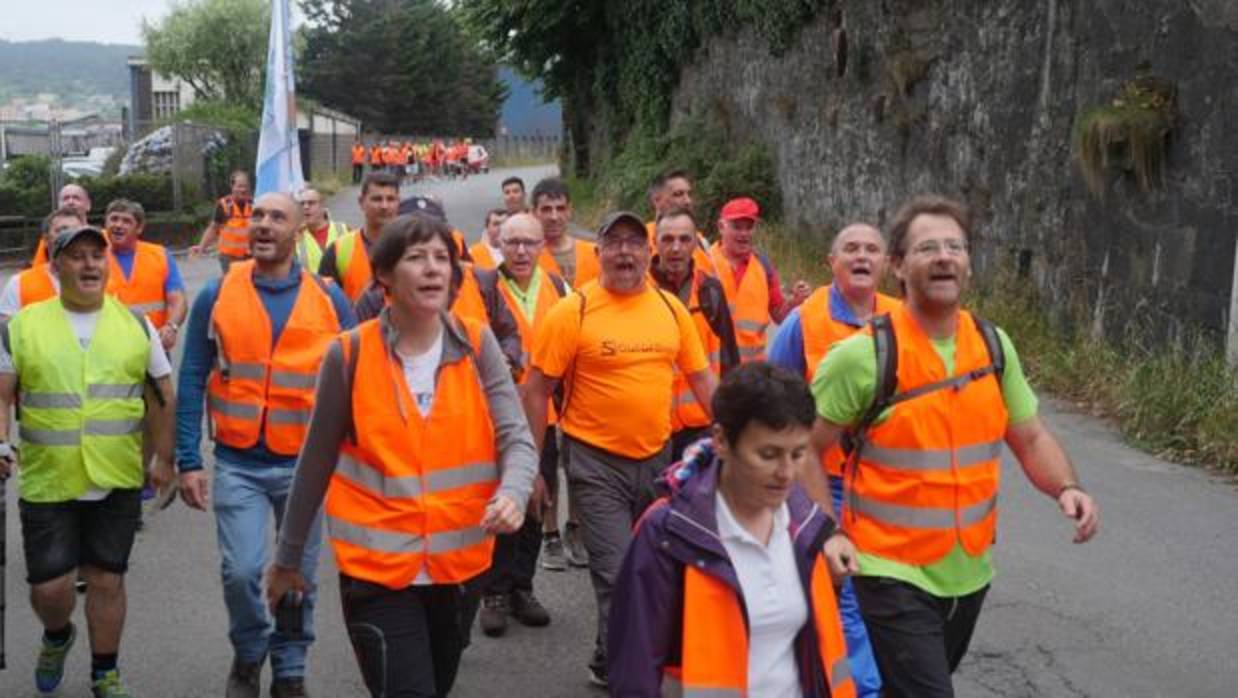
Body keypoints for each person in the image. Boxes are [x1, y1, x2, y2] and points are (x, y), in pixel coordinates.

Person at [806, 195, 1101, 698]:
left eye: (955, 246)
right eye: (927, 248)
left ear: (968, 262)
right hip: (887, 570)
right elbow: (803, 450)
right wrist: (828, 533)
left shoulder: (993, 345)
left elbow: (1029, 436)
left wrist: (1067, 488)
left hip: (969, 571)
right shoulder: (862, 357)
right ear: (898, 265)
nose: (944, 256)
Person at [266, 213, 536, 698]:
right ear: (385, 275)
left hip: (459, 571)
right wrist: (287, 560)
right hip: (377, 575)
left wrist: (513, 493)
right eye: (417, 258)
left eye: (442, 259)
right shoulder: (347, 354)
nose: (434, 269)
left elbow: (516, 437)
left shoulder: (477, 344)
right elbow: (314, 463)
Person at [523, 211, 718, 687]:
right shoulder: (574, 312)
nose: (625, 252)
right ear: (600, 253)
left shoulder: (671, 310)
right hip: (593, 462)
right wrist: (530, 466)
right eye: (615, 243)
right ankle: (630, 677)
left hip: (657, 459)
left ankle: (607, 656)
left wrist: (738, 434)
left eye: (635, 243)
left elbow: (703, 379)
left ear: (647, 253)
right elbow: (535, 389)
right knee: (615, 573)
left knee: (648, 568)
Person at [175, 193, 357, 698]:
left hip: (306, 467)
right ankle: (250, 650)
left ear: (298, 231)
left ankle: (291, 667)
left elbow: (358, 386)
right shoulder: (217, 295)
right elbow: (192, 377)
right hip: (239, 464)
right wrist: (188, 459)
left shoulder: (329, 300)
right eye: (257, 215)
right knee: (243, 571)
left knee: (296, 572)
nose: (262, 224)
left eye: (277, 217)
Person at [0, 224, 176, 698]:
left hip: (116, 479)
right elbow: (2, 395)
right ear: (55, 267)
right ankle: (57, 635)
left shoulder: (135, 325)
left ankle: (105, 672)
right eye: (76, 256)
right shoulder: (22, 326)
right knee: (50, 589)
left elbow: (161, 394)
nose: (90, 264)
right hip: (48, 479)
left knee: (106, 579)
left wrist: (165, 458)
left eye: (97, 256)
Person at [609, 362, 857, 698]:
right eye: (768, 455)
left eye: (798, 454)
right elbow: (634, 669)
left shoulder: (806, 527)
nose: (786, 473)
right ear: (722, 441)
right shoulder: (667, 533)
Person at [768, 222, 899, 698]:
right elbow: (771, 388)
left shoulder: (903, 318)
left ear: (887, 263)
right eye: (851, 249)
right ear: (832, 262)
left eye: (871, 249)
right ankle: (862, 688)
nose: (861, 256)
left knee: (884, 591)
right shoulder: (806, 319)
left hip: (891, 489)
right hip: (826, 482)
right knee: (843, 590)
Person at [476, 213, 568, 638]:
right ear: (500, 244)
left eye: (529, 243)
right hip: (492, 417)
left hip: (543, 416)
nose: (520, 251)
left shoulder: (559, 289)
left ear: (542, 246)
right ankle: (492, 592)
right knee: (500, 500)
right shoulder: (484, 288)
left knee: (539, 499)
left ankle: (522, 587)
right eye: (512, 242)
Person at [649, 206, 740, 460]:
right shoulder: (639, 291)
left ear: (695, 245)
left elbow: (729, 360)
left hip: (701, 426)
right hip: (653, 429)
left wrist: (729, 421)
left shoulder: (709, 291)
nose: (676, 248)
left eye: (684, 239)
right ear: (654, 242)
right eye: (667, 239)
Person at [710, 197, 812, 362]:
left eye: (749, 227)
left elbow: (779, 316)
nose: (744, 234)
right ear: (721, 226)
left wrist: (795, 301)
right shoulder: (703, 263)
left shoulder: (764, 267)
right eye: (737, 227)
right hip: (711, 373)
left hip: (752, 374)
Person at [103, 199, 189, 352]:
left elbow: (178, 299)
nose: (118, 225)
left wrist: (171, 326)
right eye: (114, 219)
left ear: (139, 228)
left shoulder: (160, 255)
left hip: (153, 346)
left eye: (126, 221)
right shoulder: (94, 257)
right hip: (110, 349)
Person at [318, 172, 401, 301]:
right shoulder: (339, 251)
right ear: (361, 202)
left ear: (398, 202)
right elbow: (325, 304)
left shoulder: (411, 248)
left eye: (390, 199)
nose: (384, 206)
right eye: (377, 199)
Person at [0, 207, 88, 321]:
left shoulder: (96, 282)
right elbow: (6, 333)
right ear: (46, 240)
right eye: (62, 230)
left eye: (76, 231)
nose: (70, 236)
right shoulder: (19, 284)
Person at [530, 177, 600, 287]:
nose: (554, 217)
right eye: (546, 209)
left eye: (560, 208)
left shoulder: (594, 253)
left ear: (569, 211)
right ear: (534, 213)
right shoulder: (528, 257)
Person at [644, 169, 713, 273]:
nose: (688, 201)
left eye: (688, 194)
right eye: (678, 194)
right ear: (656, 200)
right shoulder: (641, 240)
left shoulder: (701, 242)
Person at [192, 171, 254, 274]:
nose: (243, 190)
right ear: (232, 186)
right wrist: (201, 247)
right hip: (229, 257)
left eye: (245, 186)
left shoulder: (254, 204)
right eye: (239, 186)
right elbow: (213, 228)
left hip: (249, 256)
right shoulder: (224, 205)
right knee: (233, 285)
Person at [31, 184, 92, 266]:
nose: (70, 202)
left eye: (76, 198)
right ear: (58, 206)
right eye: (65, 198)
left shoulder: (104, 237)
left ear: (88, 205)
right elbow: (39, 274)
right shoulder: (49, 241)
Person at [294, 186, 350, 274]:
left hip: (342, 286)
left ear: (323, 206)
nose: (306, 207)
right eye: (302, 204)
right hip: (311, 287)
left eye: (311, 203)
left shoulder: (344, 229)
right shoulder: (295, 236)